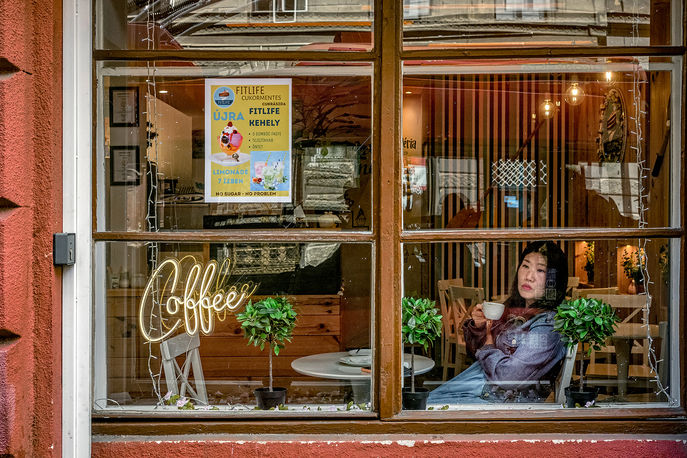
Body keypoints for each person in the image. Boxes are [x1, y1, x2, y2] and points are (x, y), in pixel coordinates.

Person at [427, 241, 568, 404]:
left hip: (497, 400)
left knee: (425, 407)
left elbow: (509, 376)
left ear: (554, 280)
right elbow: (475, 355)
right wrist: (480, 327)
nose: (529, 276)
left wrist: (488, 343)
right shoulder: (516, 309)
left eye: (540, 270)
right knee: (422, 404)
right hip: (476, 385)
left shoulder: (549, 325)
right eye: (525, 266)